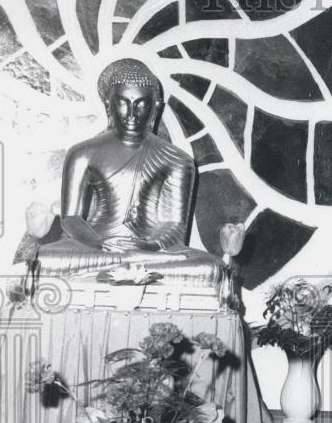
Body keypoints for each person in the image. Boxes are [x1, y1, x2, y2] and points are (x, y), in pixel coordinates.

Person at [31, 57, 224, 288]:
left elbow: (175, 225)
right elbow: (71, 219)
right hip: (96, 249)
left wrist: (149, 246)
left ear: (156, 107)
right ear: (108, 105)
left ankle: (130, 261)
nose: (132, 113)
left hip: (149, 254)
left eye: (142, 104)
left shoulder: (177, 159)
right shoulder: (83, 153)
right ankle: (121, 260)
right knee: (42, 259)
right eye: (123, 102)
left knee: (210, 268)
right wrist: (100, 243)